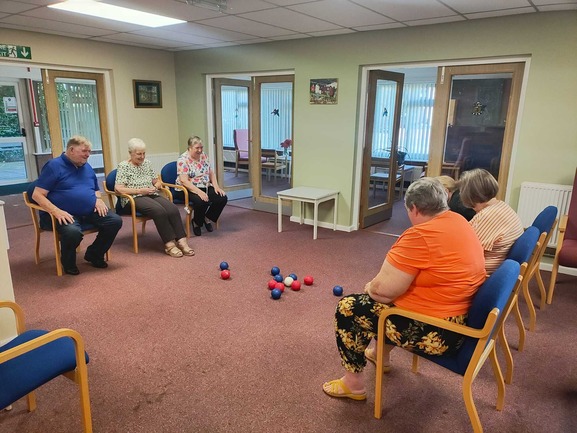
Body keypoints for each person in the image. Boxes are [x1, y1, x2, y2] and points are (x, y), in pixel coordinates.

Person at [322, 177, 486, 401]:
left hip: (438, 333)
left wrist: (371, 286)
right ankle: (381, 356)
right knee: (387, 303)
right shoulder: (459, 221)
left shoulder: (421, 235)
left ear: (415, 208)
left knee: (350, 307)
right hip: (458, 322)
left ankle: (353, 384)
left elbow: (382, 291)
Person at [32, 135, 122, 276]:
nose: (88, 155)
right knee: (72, 232)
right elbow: (36, 195)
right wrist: (56, 211)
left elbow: (95, 189)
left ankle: (94, 254)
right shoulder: (54, 166)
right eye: (84, 151)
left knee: (114, 221)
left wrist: (98, 199)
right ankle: (68, 262)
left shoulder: (86, 166)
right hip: (62, 213)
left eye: (89, 151)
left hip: (88, 210)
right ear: (71, 150)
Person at [114, 138, 194, 258]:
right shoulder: (124, 166)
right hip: (133, 197)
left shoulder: (147, 163)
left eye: (143, 153)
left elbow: (157, 181)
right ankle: (170, 245)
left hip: (150, 194)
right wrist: (140, 190)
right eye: (139, 154)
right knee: (158, 211)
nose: (142, 157)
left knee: (172, 208)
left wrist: (156, 186)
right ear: (130, 153)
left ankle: (182, 241)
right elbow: (118, 189)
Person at [459, 168, 524, 275]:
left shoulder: (488, 216)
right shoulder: (501, 206)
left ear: (469, 194)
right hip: (495, 266)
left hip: (484, 274)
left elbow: (466, 252)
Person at [175, 136, 227, 236]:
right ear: (190, 148)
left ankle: (207, 217)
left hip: (204, 185)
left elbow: (211, 173)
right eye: (197, 148)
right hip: (187, 188)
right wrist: (199, 192)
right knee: (201, 201)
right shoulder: (182, 160)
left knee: (222, 198)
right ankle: (197, 222)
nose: (200, 150)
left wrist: (216, 186)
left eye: (201, 147)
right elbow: (184, 181)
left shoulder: (204, 156)